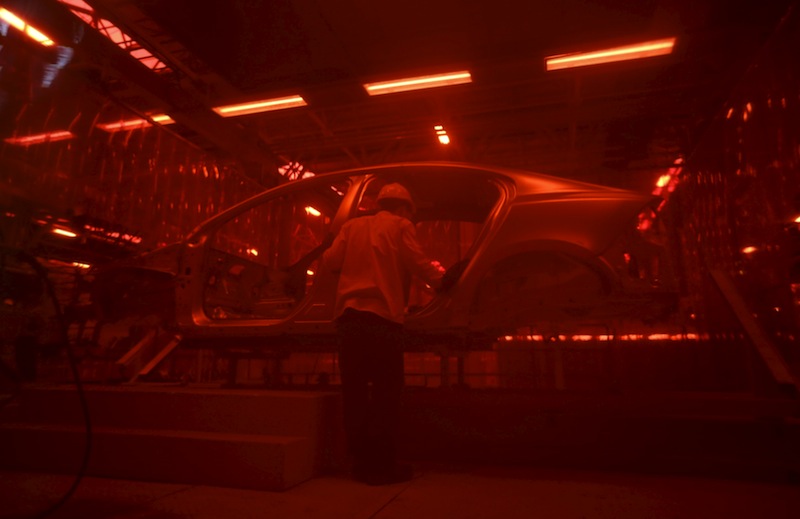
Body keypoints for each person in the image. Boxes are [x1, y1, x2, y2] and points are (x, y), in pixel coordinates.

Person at [322, 182, 443, 485]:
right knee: (386, 395)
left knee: (355, 394)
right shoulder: (401, 225)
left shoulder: (352, 226)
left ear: (380, 203)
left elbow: (330, 262)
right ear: (404, 209)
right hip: (383, 322)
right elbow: (418, 263)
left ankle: (360, 465)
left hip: (350, 321)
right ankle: (383, 466)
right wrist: (446, 282)